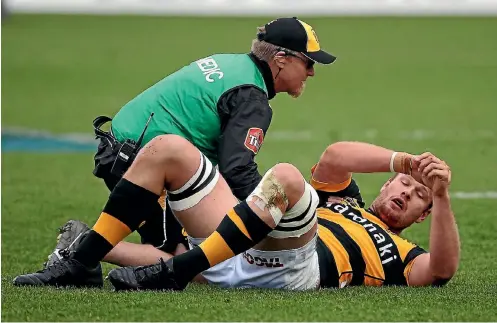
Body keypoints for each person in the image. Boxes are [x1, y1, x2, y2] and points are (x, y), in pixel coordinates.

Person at [46, 16, 336, 267]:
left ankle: (87, 251)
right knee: (195, 257)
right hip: (139, 162)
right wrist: (275, 214)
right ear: (281, 59)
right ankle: (80, 248)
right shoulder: (252, 97)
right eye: (308, 62)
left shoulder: (232, 63)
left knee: (200, 236)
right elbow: (238, 170)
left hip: (125, 150)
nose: (311, 71)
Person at [14, 139, 459, 290]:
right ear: (388, 182)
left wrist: (442, 195)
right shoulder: (347, 198)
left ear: (423, 214)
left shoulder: (401, 252)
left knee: (284, 176)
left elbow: (440, 271)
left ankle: (179, 270)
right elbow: (335, 155)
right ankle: (81, 254)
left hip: (298, 271)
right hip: (244, 246)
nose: (407, 192)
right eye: (404, 183)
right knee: (169, 149)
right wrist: (404, 160)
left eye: (419, 195)